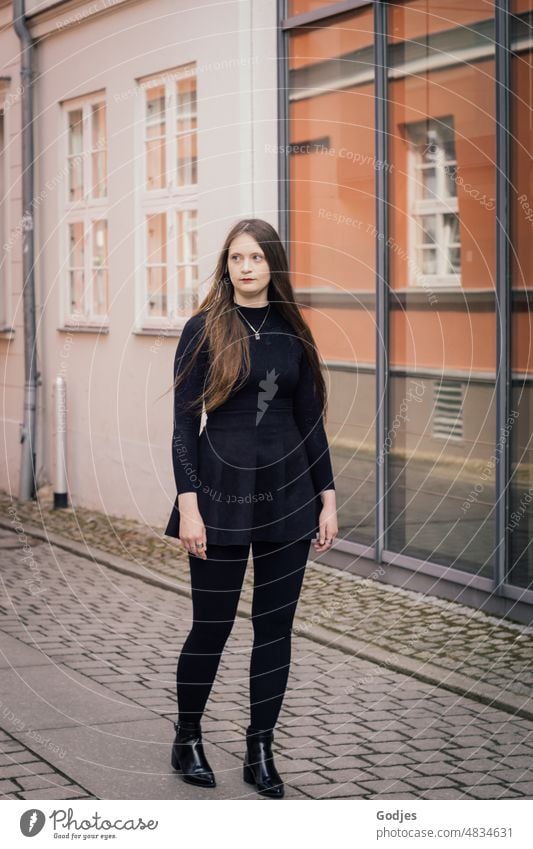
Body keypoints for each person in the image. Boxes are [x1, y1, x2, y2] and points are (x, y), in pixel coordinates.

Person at [163, 218, 338, 799]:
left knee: (275, 631)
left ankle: (259, 747)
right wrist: (189, 505)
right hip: (218, 494)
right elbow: (184, 425)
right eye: (236, 257)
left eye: (256, 258)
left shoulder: (293, 330)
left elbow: (311, 419)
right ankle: (187, 736)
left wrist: (328, 497)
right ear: (227, 265)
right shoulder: (202, 328)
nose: (245, 267)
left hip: (290, 495)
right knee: (210, 627)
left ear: (272, 265)